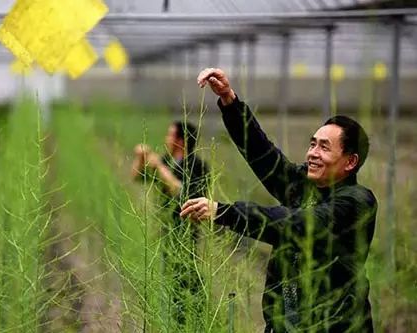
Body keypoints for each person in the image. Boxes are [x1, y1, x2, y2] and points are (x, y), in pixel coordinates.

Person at [180, 68, 377, 332]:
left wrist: (225, 212)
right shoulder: (304, 185)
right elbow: (264, 157)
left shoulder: (356, 203)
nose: (313, 154)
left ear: (350, 161)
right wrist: (230, 101)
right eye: (312, 144)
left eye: (324, 147)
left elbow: (296, 224)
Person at [131, 121, 209, 328]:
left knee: (188, 275)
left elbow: (181, 192)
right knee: (171, 275)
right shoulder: (168, 160)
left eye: (170, 135)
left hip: (186, 230)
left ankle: (196, 319)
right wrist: (141, 158)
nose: (166, 139)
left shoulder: (197, 166)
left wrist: (159, 167)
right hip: (167, 228)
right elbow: (137, 177)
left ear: (180, 141)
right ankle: (177, 319)